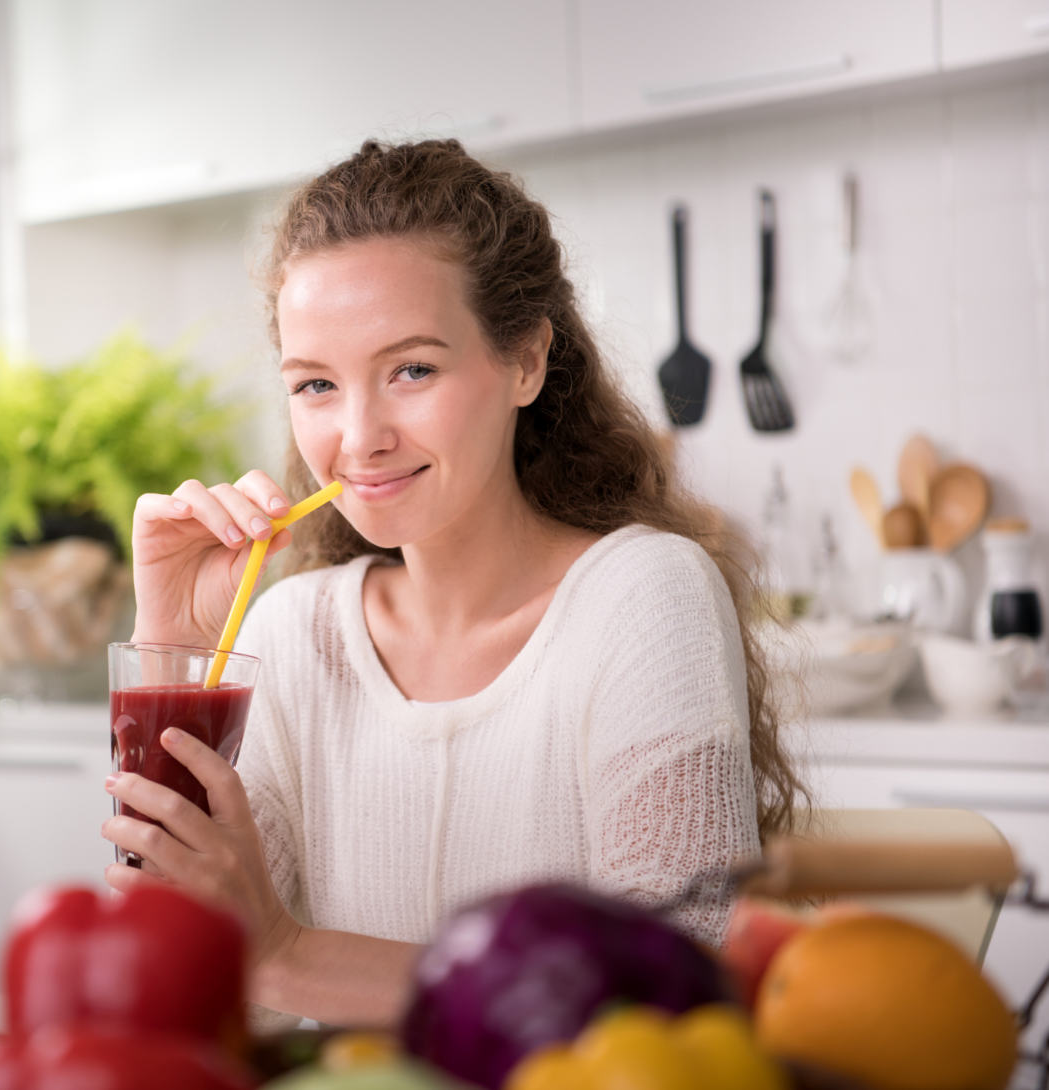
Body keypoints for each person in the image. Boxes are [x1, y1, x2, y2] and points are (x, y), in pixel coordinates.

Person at [100, 139, 803, 1028]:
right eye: (316, 384)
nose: (359, 437)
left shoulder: (641, 596)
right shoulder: (287, 633)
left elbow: (673, 992)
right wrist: (174, 650)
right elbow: (166, 970)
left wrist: (285, 952)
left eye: (411, 370)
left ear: (525, 362)